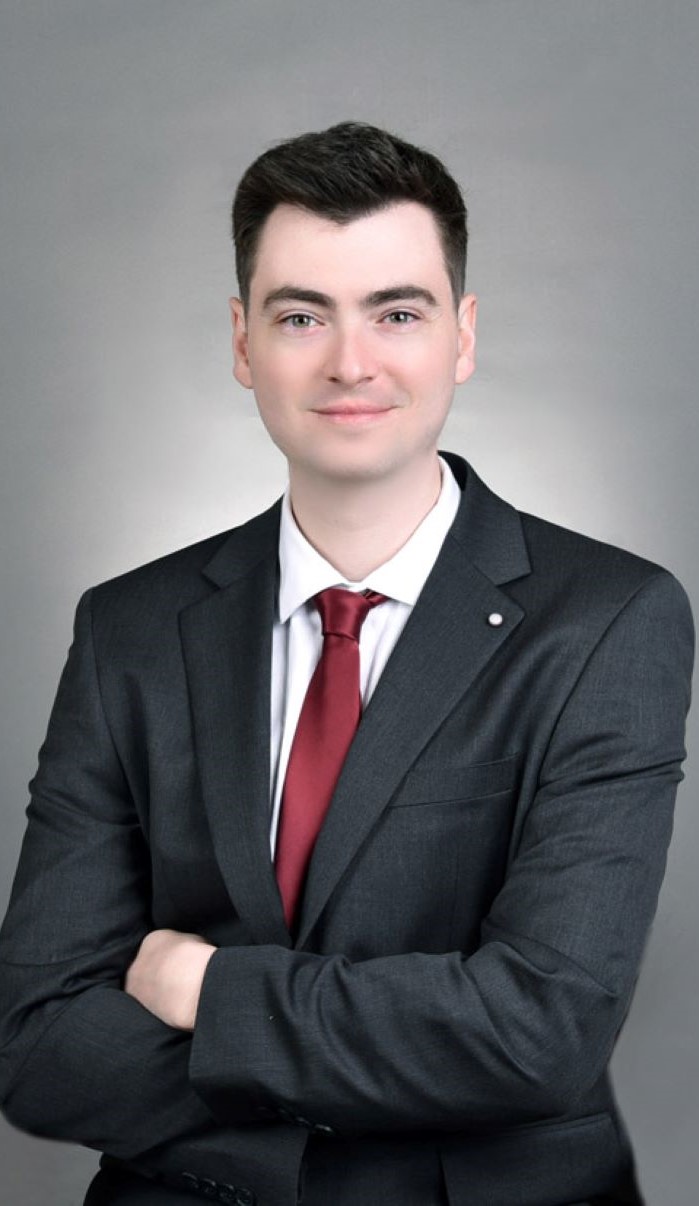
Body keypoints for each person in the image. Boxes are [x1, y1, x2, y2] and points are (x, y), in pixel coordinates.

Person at [0, 122, 693, 1206]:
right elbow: (38, 1040)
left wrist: (209, 986)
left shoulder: (610, 620)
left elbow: (542, 1030)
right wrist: (353, 1112)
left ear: (462, 336)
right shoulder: (129, 630)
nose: (350, 361)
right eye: (300, 315)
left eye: (397, 312)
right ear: (242, 342)